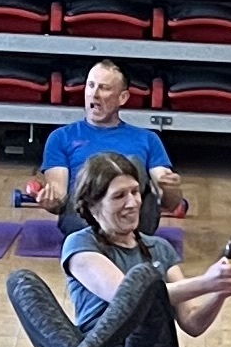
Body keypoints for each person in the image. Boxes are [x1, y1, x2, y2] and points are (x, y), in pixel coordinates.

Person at [5, 158, 231, 347]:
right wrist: (208, 282)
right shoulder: (80, 244)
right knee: (21, 282)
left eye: (135, 192)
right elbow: (123, 295)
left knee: (145, 275)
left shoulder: (159, 248)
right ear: (93, 206)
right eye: (119, 196)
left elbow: (192, 323)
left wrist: (221, 290)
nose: (133, 202)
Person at [31, 56, 188, 223]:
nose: (95, 94)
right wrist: (50, 201)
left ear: (123, 97)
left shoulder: (148, 139)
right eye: (91, 86)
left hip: (132, 223)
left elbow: (170, 203)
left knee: (129, 164)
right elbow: (59, 198)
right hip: (84, 222)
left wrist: (171, 190)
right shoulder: (60, 137)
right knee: (92, 171)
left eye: (104, 88)